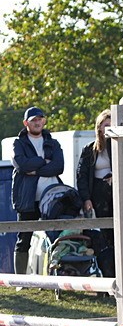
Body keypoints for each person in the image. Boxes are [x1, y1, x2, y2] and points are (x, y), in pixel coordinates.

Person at [10, 107, 65, 275]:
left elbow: (59, 166)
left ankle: (57, 274)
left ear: (44, 121)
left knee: (57, 236)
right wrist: (44, 161)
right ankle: (20, 280)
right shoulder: (18, 143)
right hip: (27, 198)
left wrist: (35, 169)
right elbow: (22, 165)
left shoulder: (52, 142)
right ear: (26, 123)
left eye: (40, 119)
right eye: (33, 120)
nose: (37, 122)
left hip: (51, 198)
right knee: (24, 239)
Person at [76, 110, 116, 275]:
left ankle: (119, 272)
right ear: (99, 127)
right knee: (101, 236)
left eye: (111, 125)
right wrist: (86, 199)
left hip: (115, 192)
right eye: (106, 125)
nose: (109, 128)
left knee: (116, 234)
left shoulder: (119, 146)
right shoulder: (89, 149)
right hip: (97, 195)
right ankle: (105, 273)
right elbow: (81, 176)